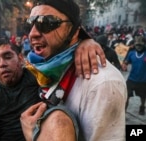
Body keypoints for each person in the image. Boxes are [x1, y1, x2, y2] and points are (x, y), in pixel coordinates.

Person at [20, 0, 127, 141]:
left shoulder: (102, 84)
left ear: (75, 31)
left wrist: (31, 135)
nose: (33, 34)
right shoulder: (43, 70)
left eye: (46, 23)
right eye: (29, 25)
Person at [122, 35, 146, 115]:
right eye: (137, 45)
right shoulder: (131, 53)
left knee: (143, 96)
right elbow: (126, 62)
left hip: (143, 80)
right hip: (131, 79)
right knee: (126, 96)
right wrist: (124, 65)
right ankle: (123, 111)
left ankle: (142, 106)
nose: (138, 47)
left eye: (140, 45)